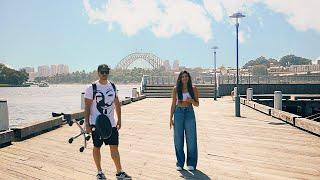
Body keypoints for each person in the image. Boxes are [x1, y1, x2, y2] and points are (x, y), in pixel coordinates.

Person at [84, 64, 132, 180]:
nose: (104, 74)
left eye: (106, 72)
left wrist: (119, 119)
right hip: (97, 124)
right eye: (102, 72)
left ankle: (119, 172)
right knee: (97, 147)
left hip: (111, 124)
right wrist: (87, 124)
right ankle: (100, 172)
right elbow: (87, 107)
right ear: (98, 72)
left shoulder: (113, 86)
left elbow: (117, 103)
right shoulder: (91, 88)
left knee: (114, 148)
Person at [170, 70, 199, 171]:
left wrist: (191, 101)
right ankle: (180, 162)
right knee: (178, 139)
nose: (184, 78)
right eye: (182, 77)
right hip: (178, 113)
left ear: (189, 78)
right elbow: (173, 104)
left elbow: (197, 104)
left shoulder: (193, 89)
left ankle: (191, 163)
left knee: (191, 139)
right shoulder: (175, 89)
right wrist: (170, 118)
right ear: (180, 79)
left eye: (186, 76)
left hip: (189, 113)